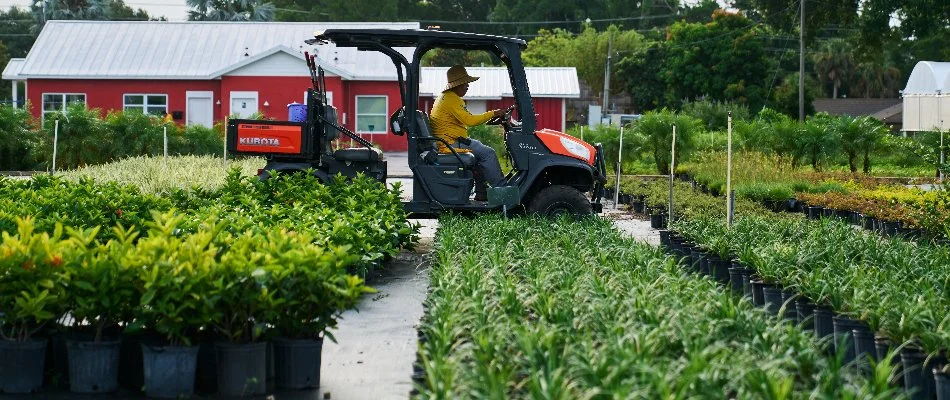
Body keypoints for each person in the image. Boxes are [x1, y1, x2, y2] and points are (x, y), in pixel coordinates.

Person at [429, 65, 507, 200]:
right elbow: (470, 120)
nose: (467, 86)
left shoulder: (445, 97)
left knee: (480, 150)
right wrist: (494, 113)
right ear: (457, 84)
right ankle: (504, 192)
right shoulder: (452, 99)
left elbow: (466, 118)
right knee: (488, 153)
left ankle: (482, 193)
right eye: (465, 83)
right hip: (450, 144)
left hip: (452, 141)